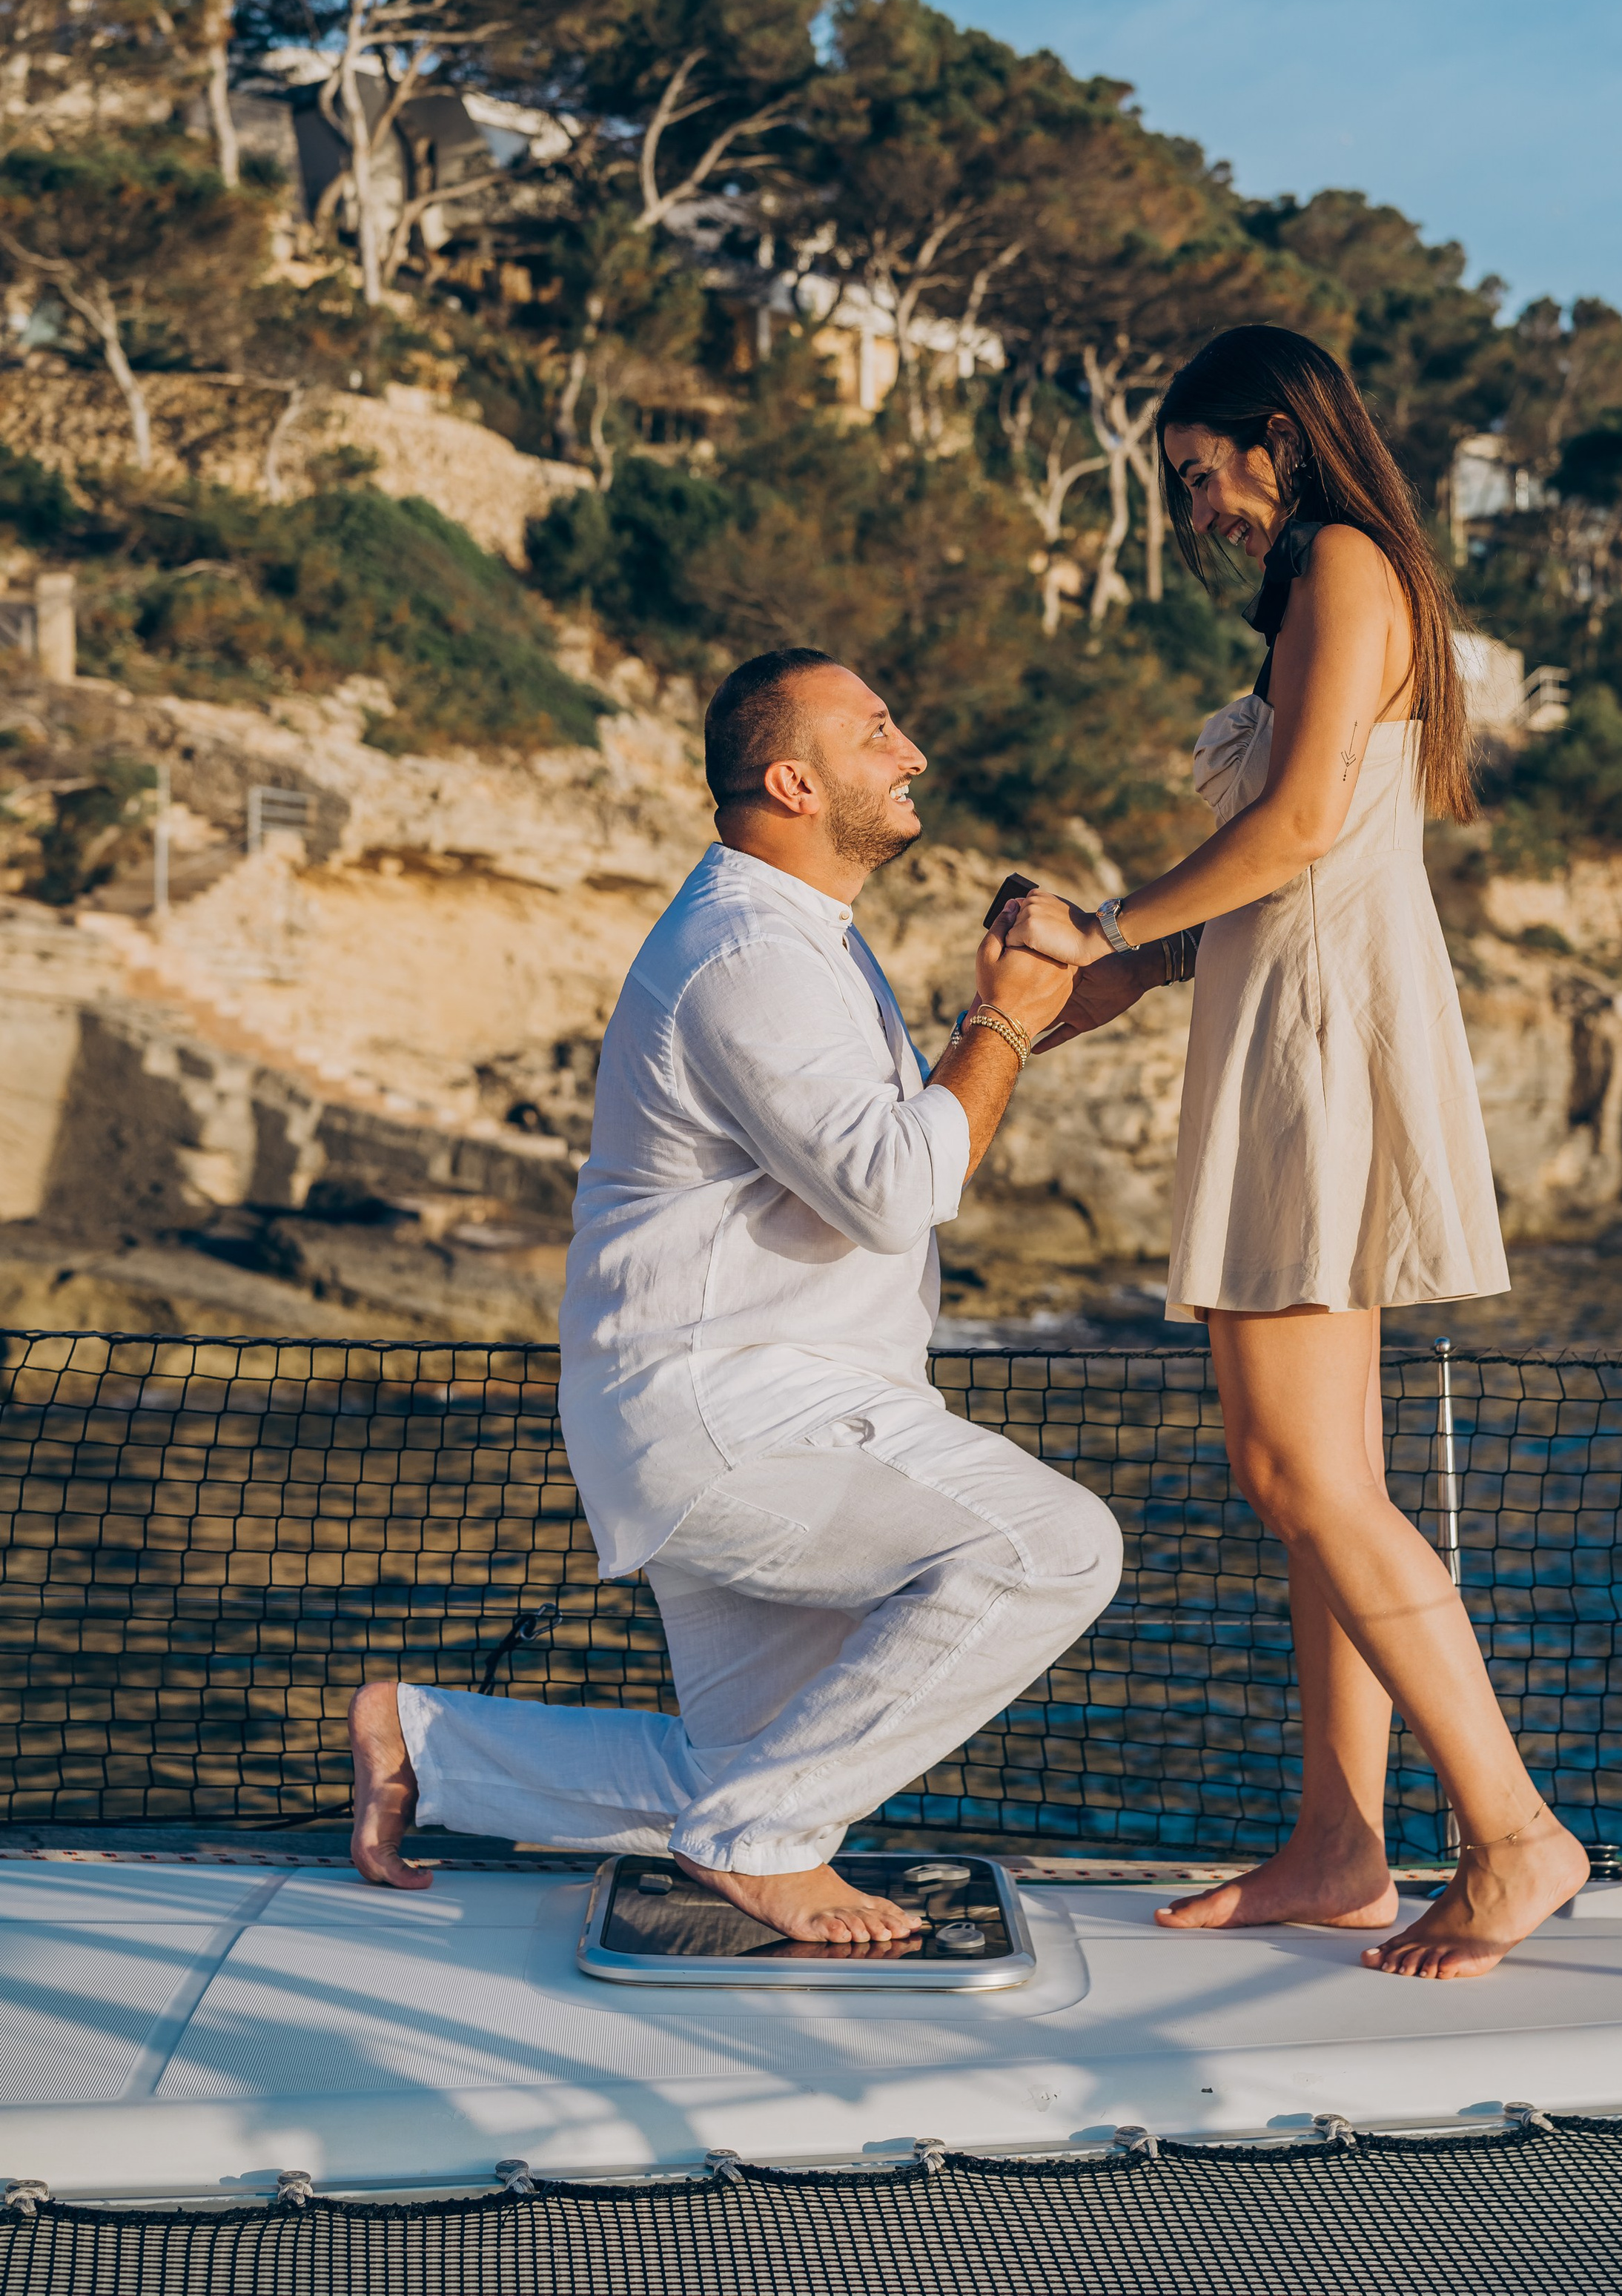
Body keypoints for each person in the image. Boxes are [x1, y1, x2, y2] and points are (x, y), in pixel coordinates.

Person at [349, 647, 1119, 1944]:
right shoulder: (747, 951)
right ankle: (760, 1842)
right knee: (1053, 1548)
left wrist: (1098, 986)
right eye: (879, 733)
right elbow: (892, 1187)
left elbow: (890, 1136)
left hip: (743, 1403)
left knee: (743, 1777)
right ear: (794, 779)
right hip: (739, 1416)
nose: (911, 751)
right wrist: (1000, 1021)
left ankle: (430, 1746)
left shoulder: (792, 937)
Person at [1003, 325, 1589, 1979]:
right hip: (1295, 1020)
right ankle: (1339, 1846)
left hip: (1315, 1046)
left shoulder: (1342, 561)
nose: (1199, 511)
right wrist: (1096, 980)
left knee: (1295, 1476)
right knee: (1321, 1488)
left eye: (1202, 475)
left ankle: (1513, 1832)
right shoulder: (1333, 579)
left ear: (1277, 439)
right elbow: (1268, 875)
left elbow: (1301, 830)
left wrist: (1100, 914)